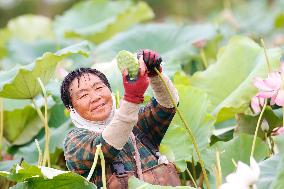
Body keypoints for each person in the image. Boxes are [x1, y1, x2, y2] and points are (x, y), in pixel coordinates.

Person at [61, 49, 180, 188]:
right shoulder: (74, 143)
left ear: (110, 90)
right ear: (71, 108)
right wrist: (132, 98)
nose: (95, 97)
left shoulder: (136, 124)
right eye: (83, 95)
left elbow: (168, 105)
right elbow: (106, 147)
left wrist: (155, 75)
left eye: (99, 88)